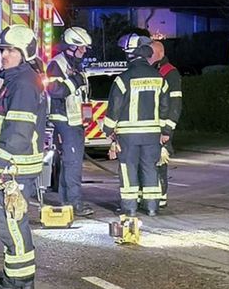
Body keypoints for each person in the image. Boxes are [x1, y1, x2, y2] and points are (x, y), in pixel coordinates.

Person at [0, 26, 46, 289]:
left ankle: (19, 282)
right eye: (3, 50)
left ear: (24, 53)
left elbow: (18, 131)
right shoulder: (15, 79)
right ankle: (18, 278)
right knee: (11, 222)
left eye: (10, 50)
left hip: (13, 168)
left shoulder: (22, 83)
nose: (4, 55)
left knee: (11, 223)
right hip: (11, 165)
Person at [104, 35, 173, 217]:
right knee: (150, 167)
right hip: (152, 135)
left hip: (128, 136)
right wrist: (164, 130)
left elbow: (115, 107)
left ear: (131, 55)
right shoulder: (160, 79)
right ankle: (151, 207)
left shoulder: (123, 79)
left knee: (129, 168)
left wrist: (109, 130)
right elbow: (166, 107)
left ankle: (130, 207)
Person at [46, 26, 93, 216]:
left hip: (75, 121)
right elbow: (55, 90)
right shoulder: (57, 64)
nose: (83, 51)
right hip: (64, 121)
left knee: (70, 163)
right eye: (81, 47)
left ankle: (67, 201)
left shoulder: (75, 65)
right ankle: (75, 203)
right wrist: (74, 81)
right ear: (70, 47)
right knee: (73, 164)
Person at [148, 40, 183, 211]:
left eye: (151, 53)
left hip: (162, 129)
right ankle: (152, 197)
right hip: (152, 127)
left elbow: (176, 104)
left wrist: (167, 129)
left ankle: (161, 197)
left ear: (160, 53)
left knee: (160, 164)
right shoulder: (154, 71)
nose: (148, 57)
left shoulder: (170, 73)